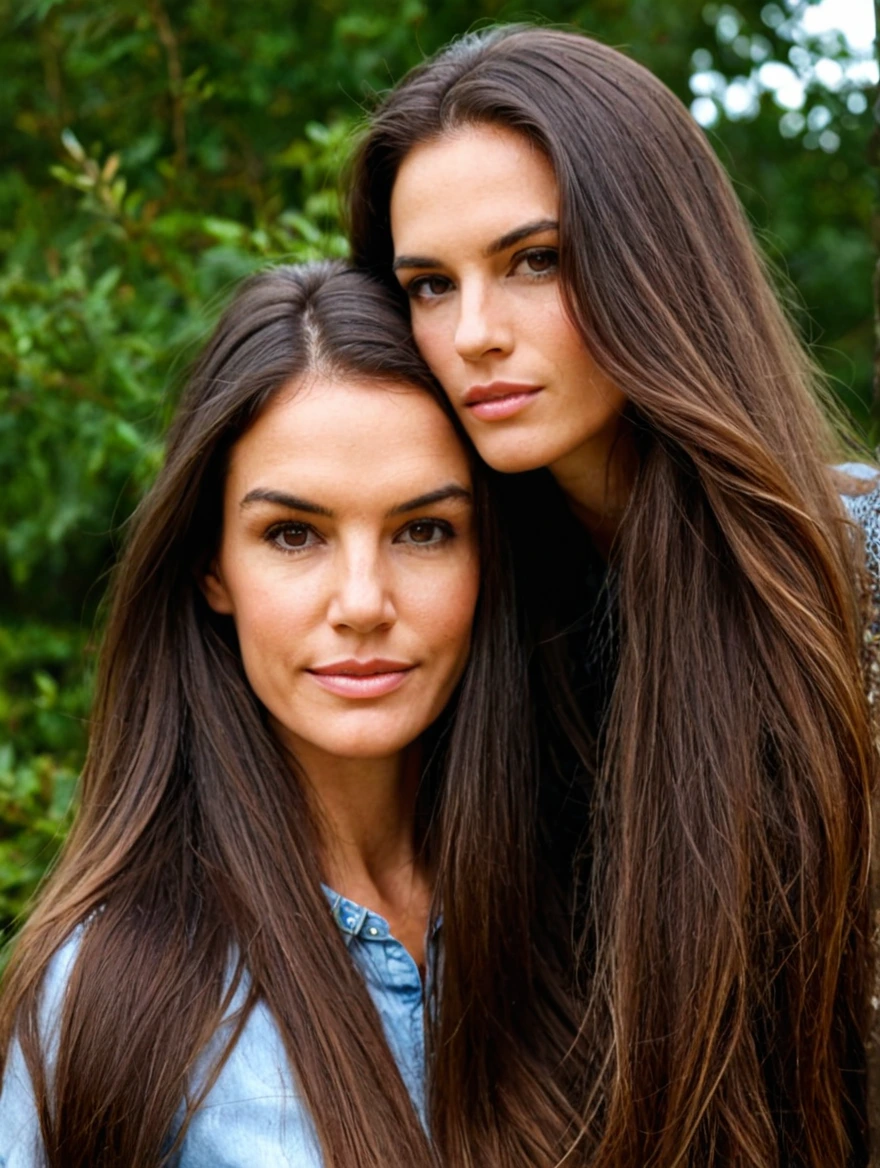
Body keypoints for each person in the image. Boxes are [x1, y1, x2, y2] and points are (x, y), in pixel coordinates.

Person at [347, 25, 880, 1166]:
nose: (473, 335)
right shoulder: (448, 619)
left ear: (657, 254)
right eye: (428, 287)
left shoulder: (850, 581)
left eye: (534, 260)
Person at [0, 262, 590, 1167]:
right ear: (212, 567)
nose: (362, 601)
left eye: (423, 530)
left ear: (488, 560)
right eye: (293, 535)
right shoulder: (111, 995)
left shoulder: (592, 907)